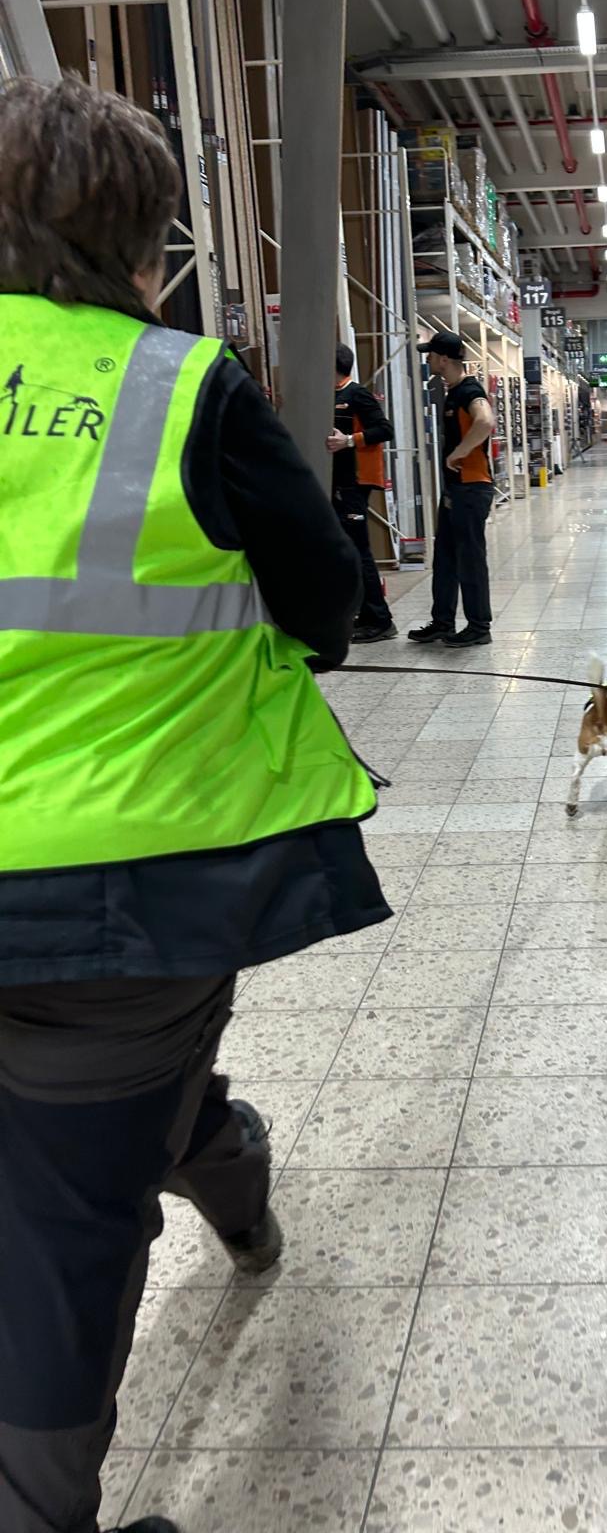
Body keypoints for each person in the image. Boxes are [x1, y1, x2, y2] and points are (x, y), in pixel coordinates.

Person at [0, 75, 391, 1533]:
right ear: (147, 245)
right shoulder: (178, 386)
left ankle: (227, 1166)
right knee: (68, 1228)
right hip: (121, 893)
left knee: (98, 1130)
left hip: (97, 925)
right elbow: (328, 598)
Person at [407, 329, 497, 648]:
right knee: (445, 557)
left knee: (469, 559)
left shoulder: (469, 390)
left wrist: (459, 452)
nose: (428, 359)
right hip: (455, 489)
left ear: (443, 359)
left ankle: (479, 626)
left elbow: (485, 421)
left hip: (472, 489)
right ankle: (442, 622)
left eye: (431, 355)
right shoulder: (453, 391)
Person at [327, 344, 397, 643]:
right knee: (349, 551)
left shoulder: (356, 394)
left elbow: (385, 429)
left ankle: (381, 619)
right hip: (338, 483)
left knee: (360, 551)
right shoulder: (330, 396)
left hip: (356, 482)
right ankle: (366, 613)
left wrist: (349, 441)